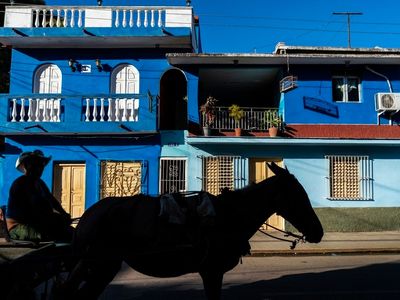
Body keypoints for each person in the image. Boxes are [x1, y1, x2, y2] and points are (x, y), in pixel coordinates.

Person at [6, 150, 74, 243]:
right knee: (54, 234)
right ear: (27, 166)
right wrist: (57, 218)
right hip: (18, 227)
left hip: (35, 224)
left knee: (72, 232)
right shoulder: (21, 183)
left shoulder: (40, 183)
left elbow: (52, 200)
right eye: (36, 165)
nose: (40, 168)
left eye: (41, 165)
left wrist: (64, 214)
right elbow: (35, 209)